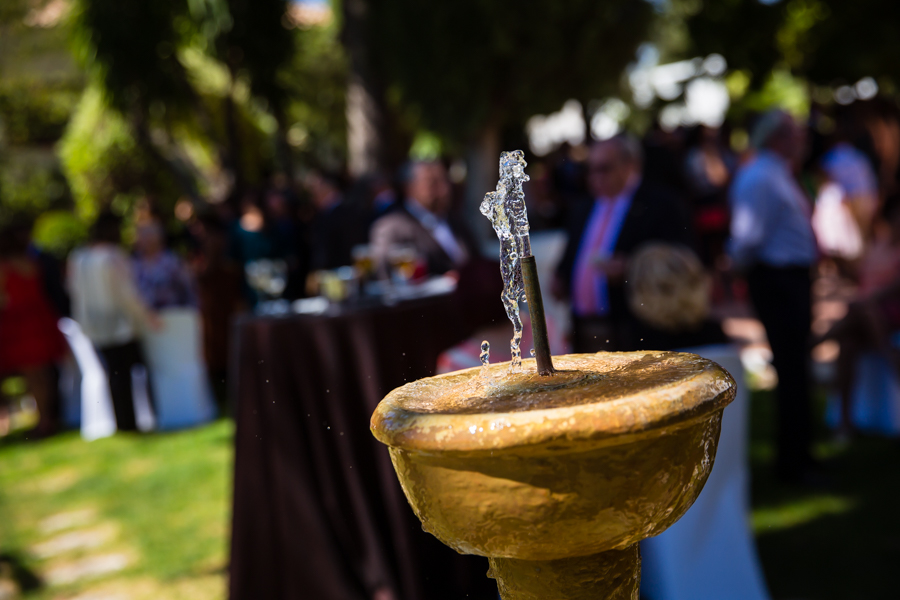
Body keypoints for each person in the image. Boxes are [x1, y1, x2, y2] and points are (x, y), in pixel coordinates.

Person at [729, 109, 819, 482]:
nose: (802, 138)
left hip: (789, 278)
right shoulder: (761, 176)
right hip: (778, 281)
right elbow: (748, 239)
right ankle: (793, 462)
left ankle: (799, 455)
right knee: (792, 368)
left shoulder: (774, 171)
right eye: (795, 132)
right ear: (778, 137)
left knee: (797, 367)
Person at [555, 134, 693, 352]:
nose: (594, 177)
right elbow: (571, 256)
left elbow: (681, 261)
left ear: (631, 164)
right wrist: (561, 277)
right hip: (585, 327)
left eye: (604, 168)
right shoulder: (583, 208)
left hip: (635, 328)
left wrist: (631, 267)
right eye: (589, 170)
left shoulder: (661, 204)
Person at [68, 212, 160, 432]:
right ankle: (138, 420)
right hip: (120, 324)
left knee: (114, 374)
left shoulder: (78, 257)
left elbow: (74, 291)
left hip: (94, 325)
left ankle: (124, 423)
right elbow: (126, 294)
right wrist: (146, 316)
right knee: (131, 372)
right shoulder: (112, 256)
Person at [0, 220, 66, 437]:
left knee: (33, 375)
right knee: (44, 373)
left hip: (20, 324)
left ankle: (44, 420)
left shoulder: (5, 267)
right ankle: (49, 417)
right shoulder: (33, 262)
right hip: (40, 318)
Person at [370, 161, 476, 277]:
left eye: (445, 181)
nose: (444, 190)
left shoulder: (456, 221)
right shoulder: (391, 228)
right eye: (433, 184)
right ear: (409, 187)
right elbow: (384, 274)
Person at [305, 170, 366, 272]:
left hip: (342, 274)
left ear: (326, 189)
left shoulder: (346, 213)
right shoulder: (323, 214)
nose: (312, 196)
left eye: (315, 190)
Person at [133, 221, 197, 310]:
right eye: (141, 236)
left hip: (171, 315)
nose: (144, 240)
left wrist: (192, 310)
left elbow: (187, 289)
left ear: (158, 238)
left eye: (148, 236)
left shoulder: (172, 262)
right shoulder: (133, 263)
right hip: (144, 316)